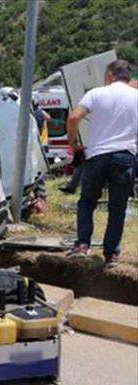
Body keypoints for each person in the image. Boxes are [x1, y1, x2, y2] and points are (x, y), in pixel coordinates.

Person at [66, 60, 138, 267]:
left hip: (97, 155)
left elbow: (73, 118)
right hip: (125, 156)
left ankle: (82, 245)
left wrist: (74, 145)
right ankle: (111, 255)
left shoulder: (96, 94)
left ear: (109, 76)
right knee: (118, 207)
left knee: (87, 202)